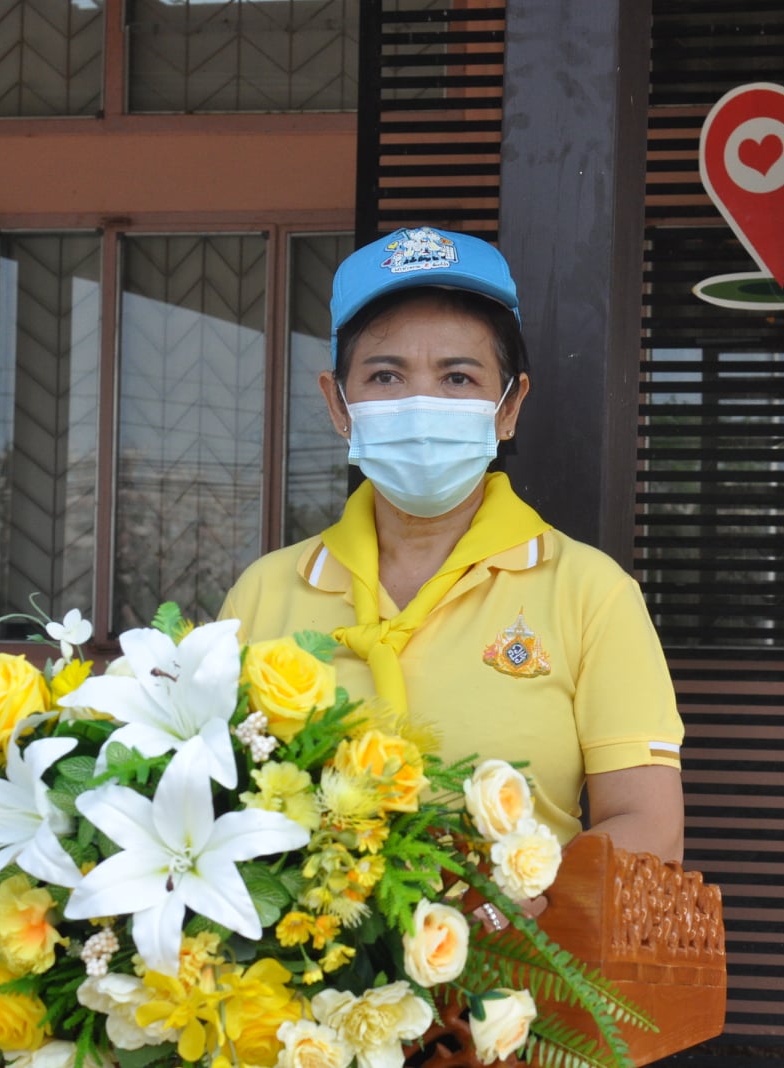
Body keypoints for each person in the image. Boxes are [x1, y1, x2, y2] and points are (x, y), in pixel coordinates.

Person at [220, 226, 685, 888]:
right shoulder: (262, 594)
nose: (421, 404)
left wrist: (498, 912)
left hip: (518, 978)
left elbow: (650, 826)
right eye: (385, 375)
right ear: (338, 405)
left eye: (458, 376)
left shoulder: (590, 593)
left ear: (509, 406)